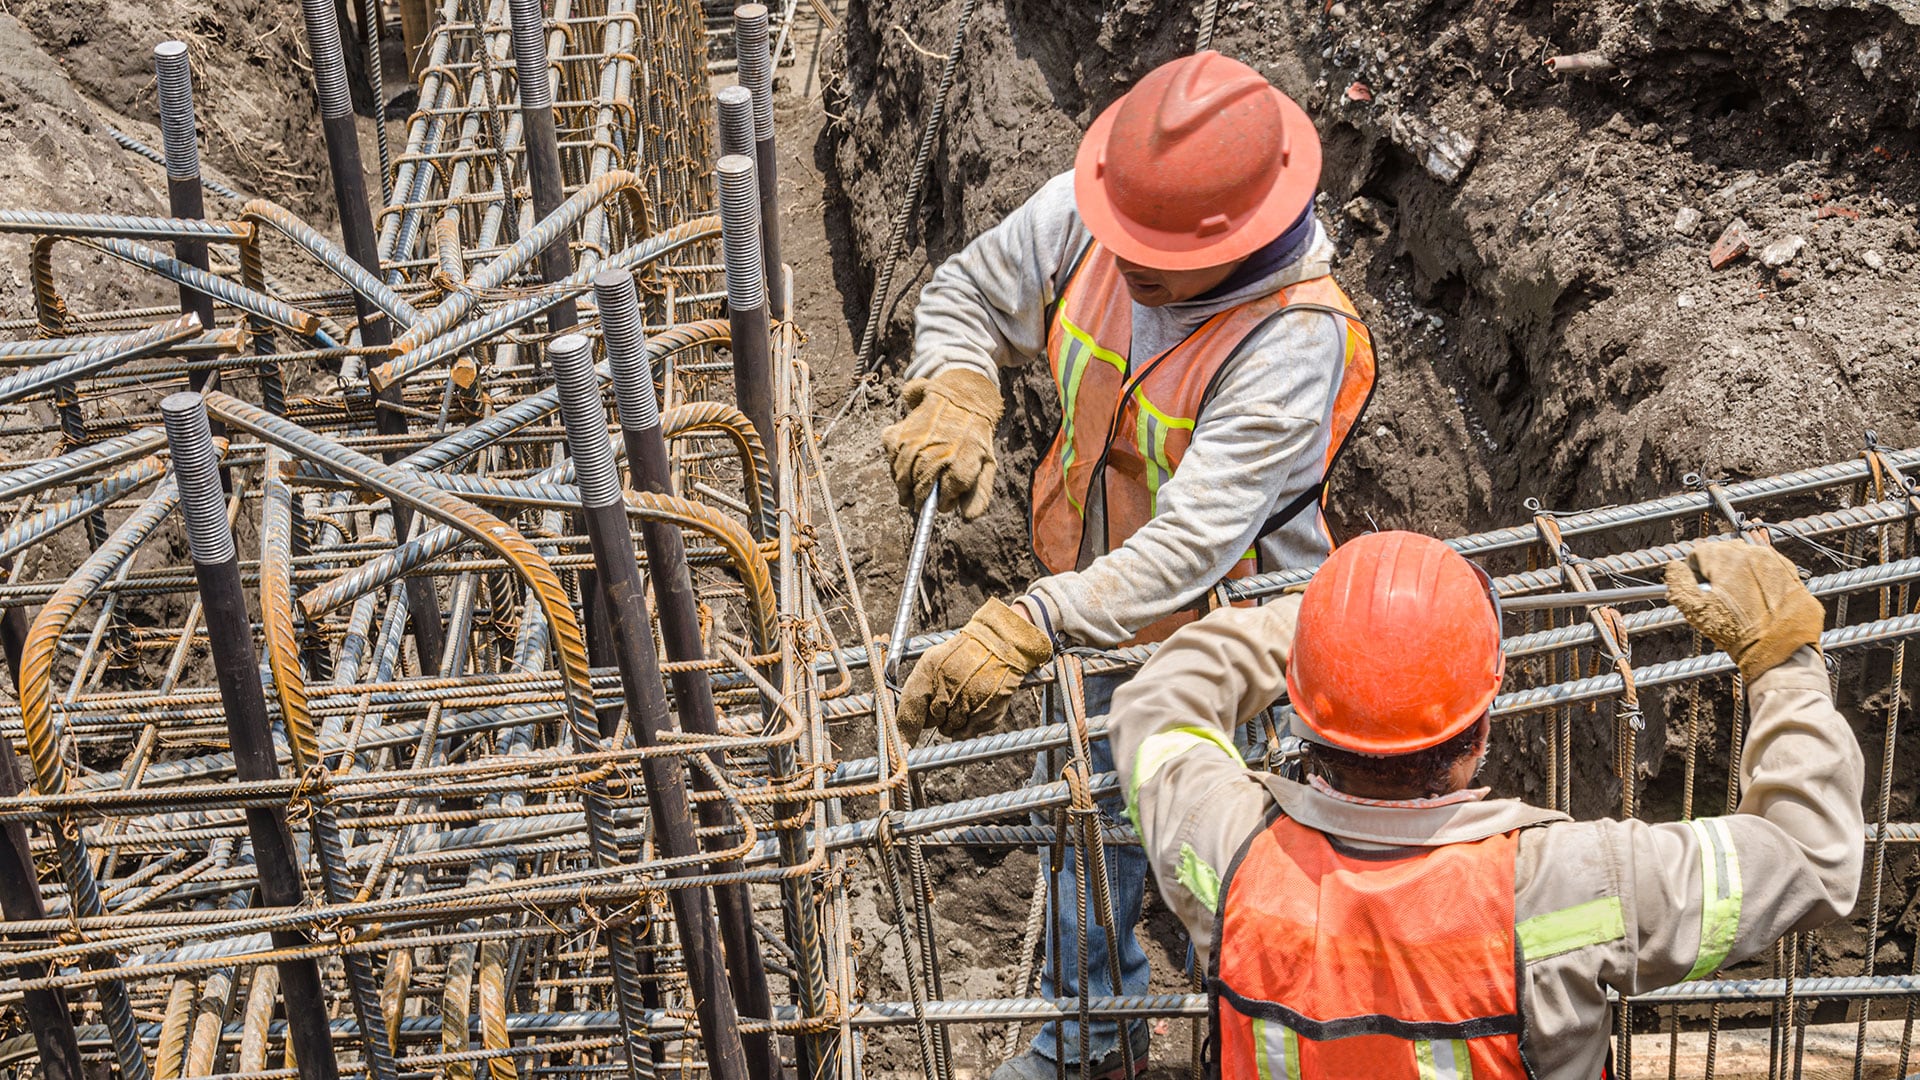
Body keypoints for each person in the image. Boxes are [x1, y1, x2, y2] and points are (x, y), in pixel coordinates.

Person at [883, 49, 1377, 1080]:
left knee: (1235, 857)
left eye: (1155, 260)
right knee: (1085, 818)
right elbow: (971, 288)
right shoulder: (1111, 215)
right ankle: (1096, 1031)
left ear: (1235, 239)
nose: (1125, 266)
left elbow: (1194, 544)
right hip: (1098, 606)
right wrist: (959, 381)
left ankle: (1256, 1038)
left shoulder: (1293, 338)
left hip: (1238, 639)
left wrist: (1032, 624)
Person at [1110, 530, 1865, 1077]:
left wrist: (1323, 624)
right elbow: (1815, 856)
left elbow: (1156, 700)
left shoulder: (1226, 847)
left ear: (1303, 713)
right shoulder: (1569, 879)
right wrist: (1783, 661)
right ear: (1480, 727)